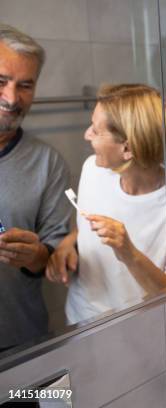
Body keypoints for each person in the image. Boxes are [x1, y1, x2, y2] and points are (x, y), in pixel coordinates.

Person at [46, 84, 166, 324]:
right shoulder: (93, 170)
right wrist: (69, 243)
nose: (87, 135)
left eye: (96, 131)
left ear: (127, 148)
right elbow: (88, 219)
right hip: (81, 318)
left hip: (136, 329)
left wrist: (128, 252)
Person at [0, 24, 71, 350]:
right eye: (1, 81)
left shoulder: (47, 163)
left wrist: (35, 254)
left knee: (53, 400)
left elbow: (52, 258)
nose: (12, 98)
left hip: (21, 343)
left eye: (25, 85)